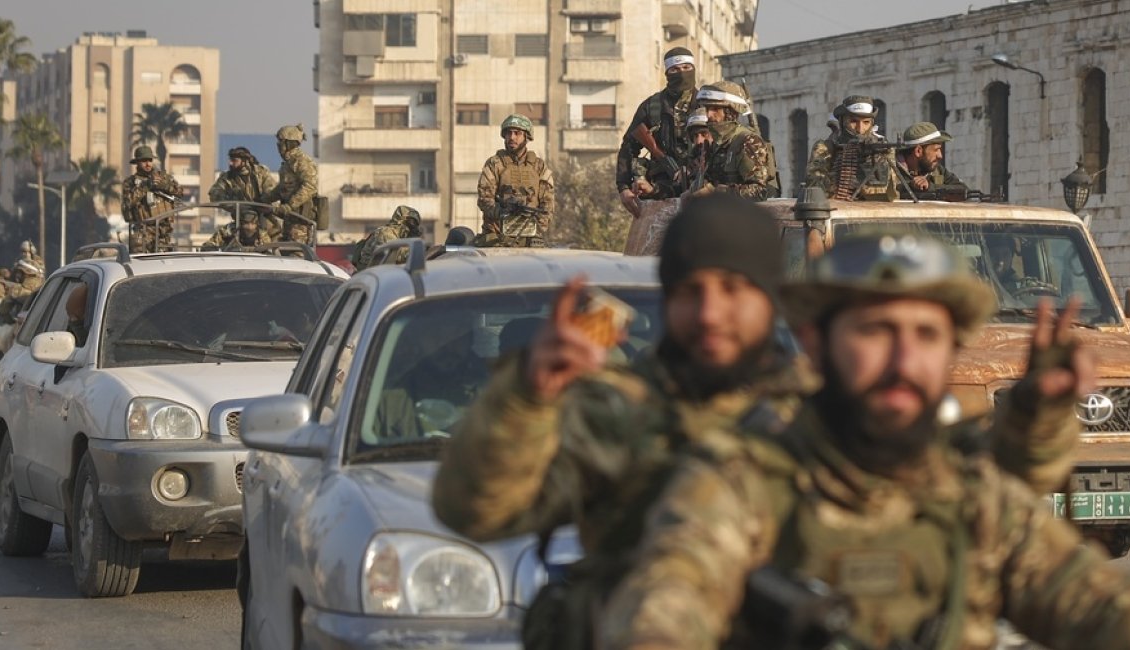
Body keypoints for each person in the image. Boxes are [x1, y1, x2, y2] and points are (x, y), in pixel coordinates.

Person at [432, 195, 1088, 650]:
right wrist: (524, 401)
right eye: (690, 292)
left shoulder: (829, 402)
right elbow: (474, 511)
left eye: (734, 289)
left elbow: (983, 491)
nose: (711, 313)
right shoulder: (615, 411)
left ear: (769, 295)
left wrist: (1036, 413)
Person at [599, 232, 1130, 650]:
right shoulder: (738, 484)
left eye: (925, 335)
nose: (903, 359)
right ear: (816, 344)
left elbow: (1096, 603)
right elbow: (668, 600)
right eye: (874, 331)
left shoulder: (976, 498)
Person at [617, 47, 699, 214]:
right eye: (675, 69)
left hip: (702, 187)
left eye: (686, 68)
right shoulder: (652, 106)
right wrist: (624, 187)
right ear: (667, 73)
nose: (681, 73)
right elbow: (628, 147)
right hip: (660, 191)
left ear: (694, 69)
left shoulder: (706, 104)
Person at [682, 82, 776, 202]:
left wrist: (715, 192)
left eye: (715, 109)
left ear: (730, 112)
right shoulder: (716, 144)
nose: (709, 115)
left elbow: (759, 191)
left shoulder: (747, 142)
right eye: (707, 109)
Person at [476, 114, 554, 248]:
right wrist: (503, 212)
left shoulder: (539, 166)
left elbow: (548, 204)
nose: (512, 137)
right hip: (497, 237)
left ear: (526, 137)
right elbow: (484, 199)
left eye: (517, 133)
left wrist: (537, 227)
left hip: (530, 237)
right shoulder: (495, 164)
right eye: (508, 133)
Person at [805, 96, 897, 201]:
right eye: (854, 121)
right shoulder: (826, 148)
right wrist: (836, 188)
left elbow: (891, 187)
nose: (860, 129)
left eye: (866, 122)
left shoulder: (882, 147)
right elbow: (813, 183)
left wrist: (873, 161)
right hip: (840, 209)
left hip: (877, 208)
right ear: (842, 122)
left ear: (872, 123)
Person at [261, 124, 319, 246]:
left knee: (296, 253)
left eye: (280, 142)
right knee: (286, 250)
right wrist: (266, 198)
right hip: (289, 218)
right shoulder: (288, 163)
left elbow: (310, 186)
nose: (278, 146)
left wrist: (290, 206)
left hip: (300, 219)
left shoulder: (301, 161)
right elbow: (283, 188)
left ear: (288, 143)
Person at [121, 145, 183, 253]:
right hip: (143, 231)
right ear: (137, 162)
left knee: (164, 263)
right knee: (140, 263)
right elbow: (127, 203)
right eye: (144, 161)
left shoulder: (163, 177)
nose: (147, 164)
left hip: (163, 231)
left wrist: (164, 185)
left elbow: (180, 192)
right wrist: (145, 186)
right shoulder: (130, 182)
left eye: (149, 160)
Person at [209, 146, 279, 236]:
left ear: (244, 161)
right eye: (230, 160)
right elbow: (214, 194)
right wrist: (235, 206)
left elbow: (272, 191)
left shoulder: (260, 173)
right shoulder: (227, 177)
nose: (230, 163)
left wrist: (262, 202)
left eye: (234, 160)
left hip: (264, 219)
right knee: (225, 238)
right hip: (241, 221)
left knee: (275, 239)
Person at [896, 121, 965, 197]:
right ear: (918, 151)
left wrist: (930, 187)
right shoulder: (890, 171)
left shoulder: (937, 170)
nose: (940, 155)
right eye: (936, 150)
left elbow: (964, 191)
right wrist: (911, 186)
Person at [350, 205, 424, 271]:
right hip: (368, 277)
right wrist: (418, 251)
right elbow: (394, 254)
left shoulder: (398, 237)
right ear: (401, 220)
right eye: (411, 222)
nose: (413, 226)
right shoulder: (386, 233)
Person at [200, 210, 272, 252]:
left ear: (257, 225)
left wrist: (261, 248)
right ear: (240, 223)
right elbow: (209, 245)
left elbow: (269, 250)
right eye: (246, 223)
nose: (250, 227)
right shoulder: (229, 230)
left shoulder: (262, 234)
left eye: (253, 223)